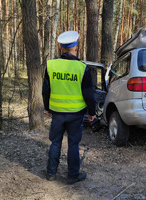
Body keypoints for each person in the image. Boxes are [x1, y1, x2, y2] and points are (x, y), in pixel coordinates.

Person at [42, 31, 95, 184]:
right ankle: (73, 176)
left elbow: (46, 90)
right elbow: (89, 94)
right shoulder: (81, 67)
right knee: (73, 144)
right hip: (75, 114)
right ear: (76, 48)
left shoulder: (51, 65)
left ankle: (51, 173)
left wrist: (47, 107)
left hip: (57, 113)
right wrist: (92, 112)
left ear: (60, 47)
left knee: (55, 142)